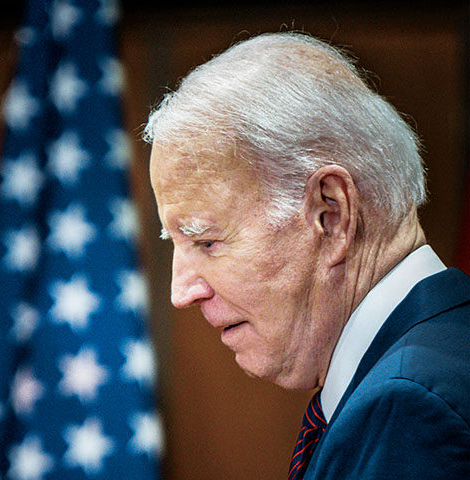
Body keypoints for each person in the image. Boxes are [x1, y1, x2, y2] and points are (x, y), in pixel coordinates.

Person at [144, 32, 469, 479]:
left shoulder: (408, 409)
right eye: (174, 243)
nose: (182, 292)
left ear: (330, 214)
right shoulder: (442, 352)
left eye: (206, 241)